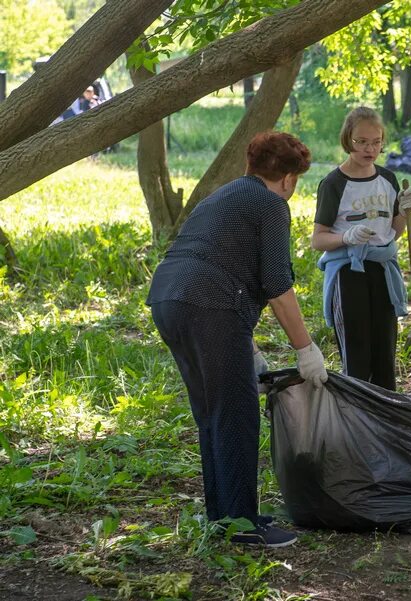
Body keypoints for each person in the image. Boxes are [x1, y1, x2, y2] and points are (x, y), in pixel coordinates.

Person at [146, 131, 328, 548]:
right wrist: (306, 350)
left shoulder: (225, 195)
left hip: (168, 298)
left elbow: (219, 262)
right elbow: (278, 286)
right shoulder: (270, 204)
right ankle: (243, 525)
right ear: (286, 178)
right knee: (238, 412)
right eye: (296, 179)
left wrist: (249, 347)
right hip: (209, 304)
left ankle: (223, 517)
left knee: (213, 410)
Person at [312, 107, 411, 391]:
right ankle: (358, 418)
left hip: (382, 270)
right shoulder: (334, 183)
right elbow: (318, 240)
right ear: (348, 140)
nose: (369, 148)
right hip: (349, 272)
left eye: (376, 141)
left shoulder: (387, 179)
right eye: (361, 141)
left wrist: (405, 211)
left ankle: (386, 418)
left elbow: (393, 232)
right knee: (357, 353)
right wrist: (347, 237)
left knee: (385, 350)